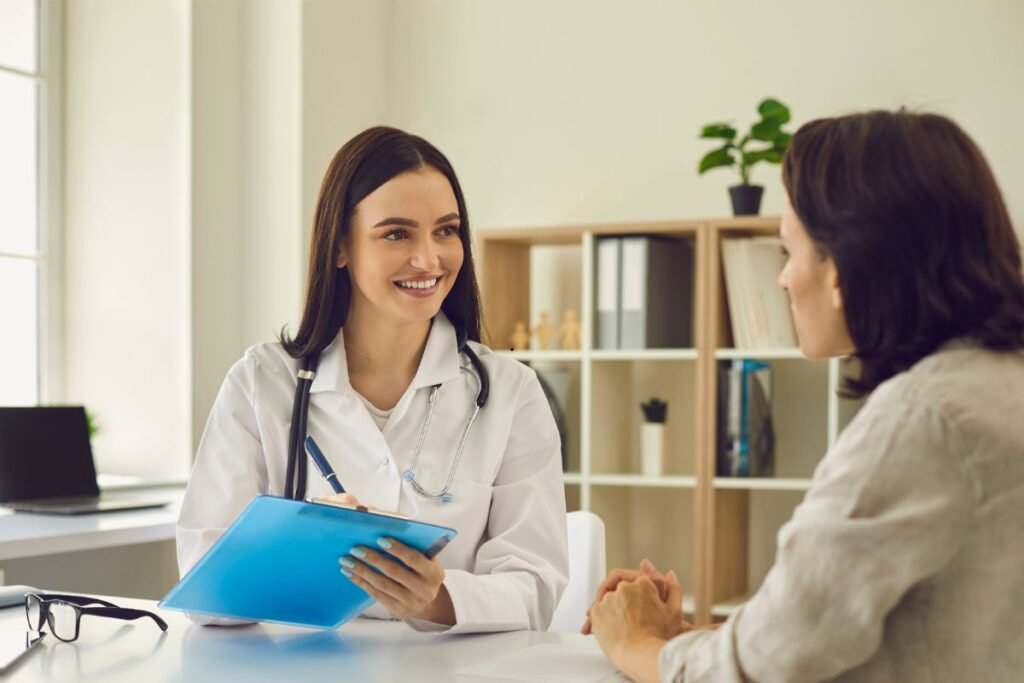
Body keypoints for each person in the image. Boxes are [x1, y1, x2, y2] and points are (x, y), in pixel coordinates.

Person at [585, 110, 1024, 681]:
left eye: (789, 251)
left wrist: (635, 641)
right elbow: (843, 633)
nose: (783, 279)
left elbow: (754, 674)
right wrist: (685, 637)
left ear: (841, 269)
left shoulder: (920, 422)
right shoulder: (996, 386)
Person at [177, 126, 568, 633]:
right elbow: (204, 598)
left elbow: (537, 585)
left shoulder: (510, 392)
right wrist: (299, 543)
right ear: (340, 247)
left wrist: (436, 598)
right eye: (396, 233)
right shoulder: (261, 382)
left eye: (446, 230)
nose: (429, 259)